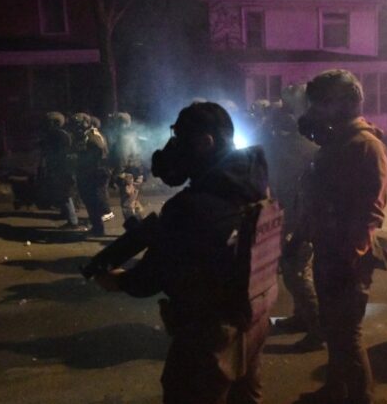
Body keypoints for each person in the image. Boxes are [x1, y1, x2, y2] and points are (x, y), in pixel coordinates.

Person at [94, 102, 278, 403]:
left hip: (209, 336)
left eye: (180, 139)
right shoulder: (253, 183)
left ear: (206, 142)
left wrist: (117, 280)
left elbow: (150, 278)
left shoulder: (190, 207)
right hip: (252, 320)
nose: (173, 148)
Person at [296, 70, 387, 404]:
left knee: (347, 334)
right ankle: (336, 388)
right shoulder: (336, 142)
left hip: (347, 257)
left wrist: (351, 255)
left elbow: (371, 210)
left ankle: (360, 397)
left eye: (324, 102)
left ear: (348, 103)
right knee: (332, 328)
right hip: (327, 249)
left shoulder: (366, 145)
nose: (317, 110)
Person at [263, 84, 324, 352]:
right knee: (300, 272)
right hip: (297, 216)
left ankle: (318, 330)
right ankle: (303, 318)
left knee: (296, 275)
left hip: (297, 220)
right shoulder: (308, 148)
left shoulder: (289, 149)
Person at [40, 112, 87, 232]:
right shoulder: (63, 134)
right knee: (64, 193)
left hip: (62, 169)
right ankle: (67, 215)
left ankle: (73, 221)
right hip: (64, 168)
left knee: (65, 194)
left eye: (49, 121)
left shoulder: (57, 135)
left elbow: (57, 153)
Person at [70, 113, 111, 236]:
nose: (75, 128)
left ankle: (99, 228)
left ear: (85, 124)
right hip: (90, 173)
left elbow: (98, 153)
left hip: (93, 174)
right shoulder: (87, 135)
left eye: (77, 125)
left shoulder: (92, 136)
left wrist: (79, 159)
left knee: (93, 201)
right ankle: (97, 227)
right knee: (90, 201)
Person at [109, 112, 145, 223]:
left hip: (128, 175)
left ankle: (134, 232)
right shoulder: (133, 134)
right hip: (136, 173)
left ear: (121, 123)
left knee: (127, 205)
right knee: (134, 202)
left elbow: (122, 160)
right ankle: (142, 226)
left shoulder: (123, 137)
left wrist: (114, 176)